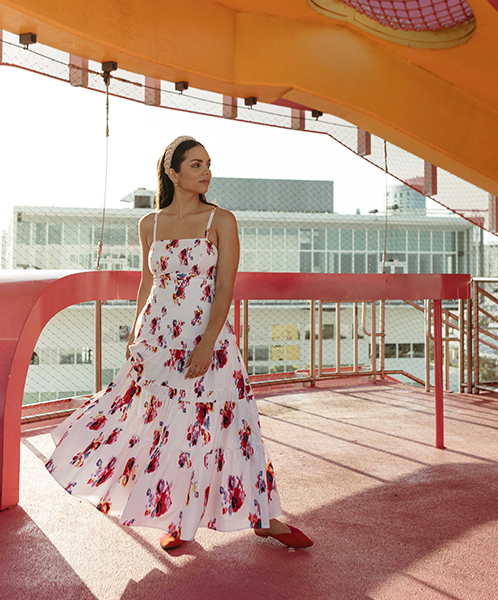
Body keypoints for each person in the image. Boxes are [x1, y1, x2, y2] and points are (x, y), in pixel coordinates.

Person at [46, 136, 312, 550]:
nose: (207, 172)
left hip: (208, 340)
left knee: (229, 428)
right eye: (196, 165)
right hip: (158, 341)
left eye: (208, 164)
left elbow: (224, 288)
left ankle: (263, 517)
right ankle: (177, 517)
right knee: (165, 430)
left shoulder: (220, 220)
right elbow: (147, 283)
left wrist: (206, 344)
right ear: (172, 173)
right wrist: (135, 332)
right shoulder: (149, 224)